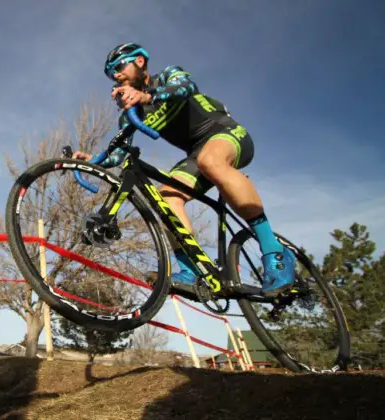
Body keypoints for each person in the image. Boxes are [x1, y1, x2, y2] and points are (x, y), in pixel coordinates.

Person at [71, 43, 296, 297]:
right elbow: (120, 154)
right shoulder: (131, 111)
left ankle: (274, 250)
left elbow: (187, 88)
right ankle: (193, 271)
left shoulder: (168, 76)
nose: (116, 75)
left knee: (210, 161)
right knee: (166, 199)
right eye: (111, 73)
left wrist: (148, 96)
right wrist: (92, 160)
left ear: (141, 62)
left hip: (226, 134)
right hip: (196, 155)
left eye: (119, 66)